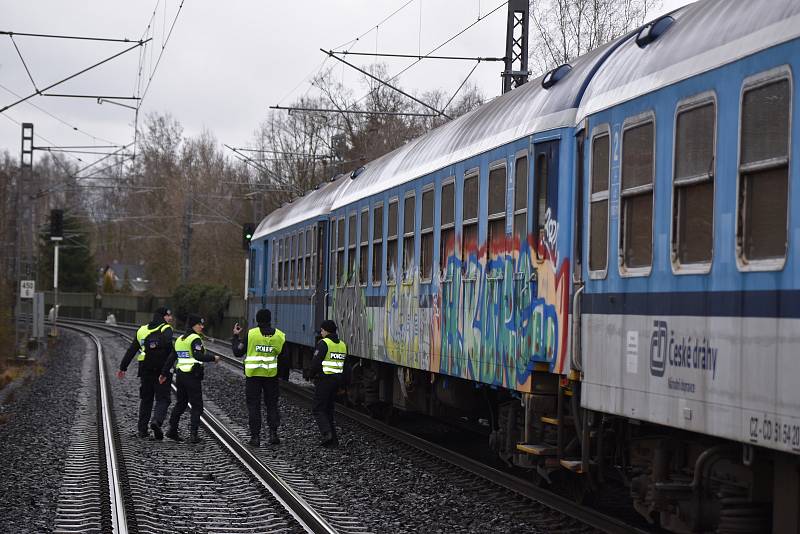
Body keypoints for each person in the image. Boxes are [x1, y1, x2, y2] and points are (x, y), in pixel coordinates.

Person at [159, 314, 219, 443]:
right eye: (200, 324)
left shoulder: (180, 339)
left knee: (181, 403)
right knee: (197, 406)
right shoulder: (195, 339)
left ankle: (172, 430)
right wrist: (213, 358)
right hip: (192, 376)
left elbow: (171, 358)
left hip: (180, 376)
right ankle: (193, 435)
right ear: (193, 325)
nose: (202, 327)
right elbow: (198, 356)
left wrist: (163, 373)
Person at [117, 306, 174, 439]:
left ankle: (142, 430)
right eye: (168, 316)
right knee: (163, 398)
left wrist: (123, 367)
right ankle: (156, 421)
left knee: (146, 399)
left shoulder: (142, 330)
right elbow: (170, 350)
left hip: (145, 369)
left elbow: (132, 350)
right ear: (162, 317)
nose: (170, 318)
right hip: (161, 370)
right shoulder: (166, 329)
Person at [232, 309, 286, 447]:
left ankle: (255, 437)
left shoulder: (251, 334)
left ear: (257, 319)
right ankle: (273, 434)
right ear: (270, 319)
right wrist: (283, 377)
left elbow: (238, 352)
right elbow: (284, 359)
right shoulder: (279, 336)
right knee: (272, 405)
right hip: (271, 377)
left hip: (253, 377)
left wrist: (236, 336)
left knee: (254, 406)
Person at [305, 319, 346, 448]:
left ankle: (326, 433)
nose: (321, 332)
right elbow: (347, 367)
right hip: (337, 381)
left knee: (318, 408)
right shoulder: (342, 345)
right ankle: (333, 441)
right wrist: (344, 385)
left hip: (325, 380)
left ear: (326, 330)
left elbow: (316, 362)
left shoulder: (323, 343)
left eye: (322, 330)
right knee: (328, 410)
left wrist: (309, 375)